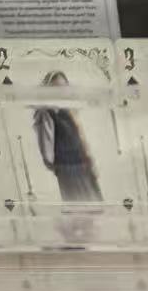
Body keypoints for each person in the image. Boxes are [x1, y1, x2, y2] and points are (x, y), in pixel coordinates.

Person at [33, 72, 101, 202]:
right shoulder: (47, 113)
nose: (61, 91)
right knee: (78, 206)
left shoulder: (70, 109)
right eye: (57, 88)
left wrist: (90, 161)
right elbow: (46, 146)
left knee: (94, 204)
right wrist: (58, 167)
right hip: (68, 169)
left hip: (83, 166)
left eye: (64, 87)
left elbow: (81, 137)